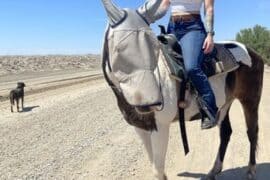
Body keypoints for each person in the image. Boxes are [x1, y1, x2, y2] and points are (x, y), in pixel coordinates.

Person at [157, 0, 218, 129]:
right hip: (172, 27)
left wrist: (210, 34)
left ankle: (210, 109)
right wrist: (148, 18)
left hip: (193, 27)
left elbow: (209, 9)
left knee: (192, 67)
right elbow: (163, 6)